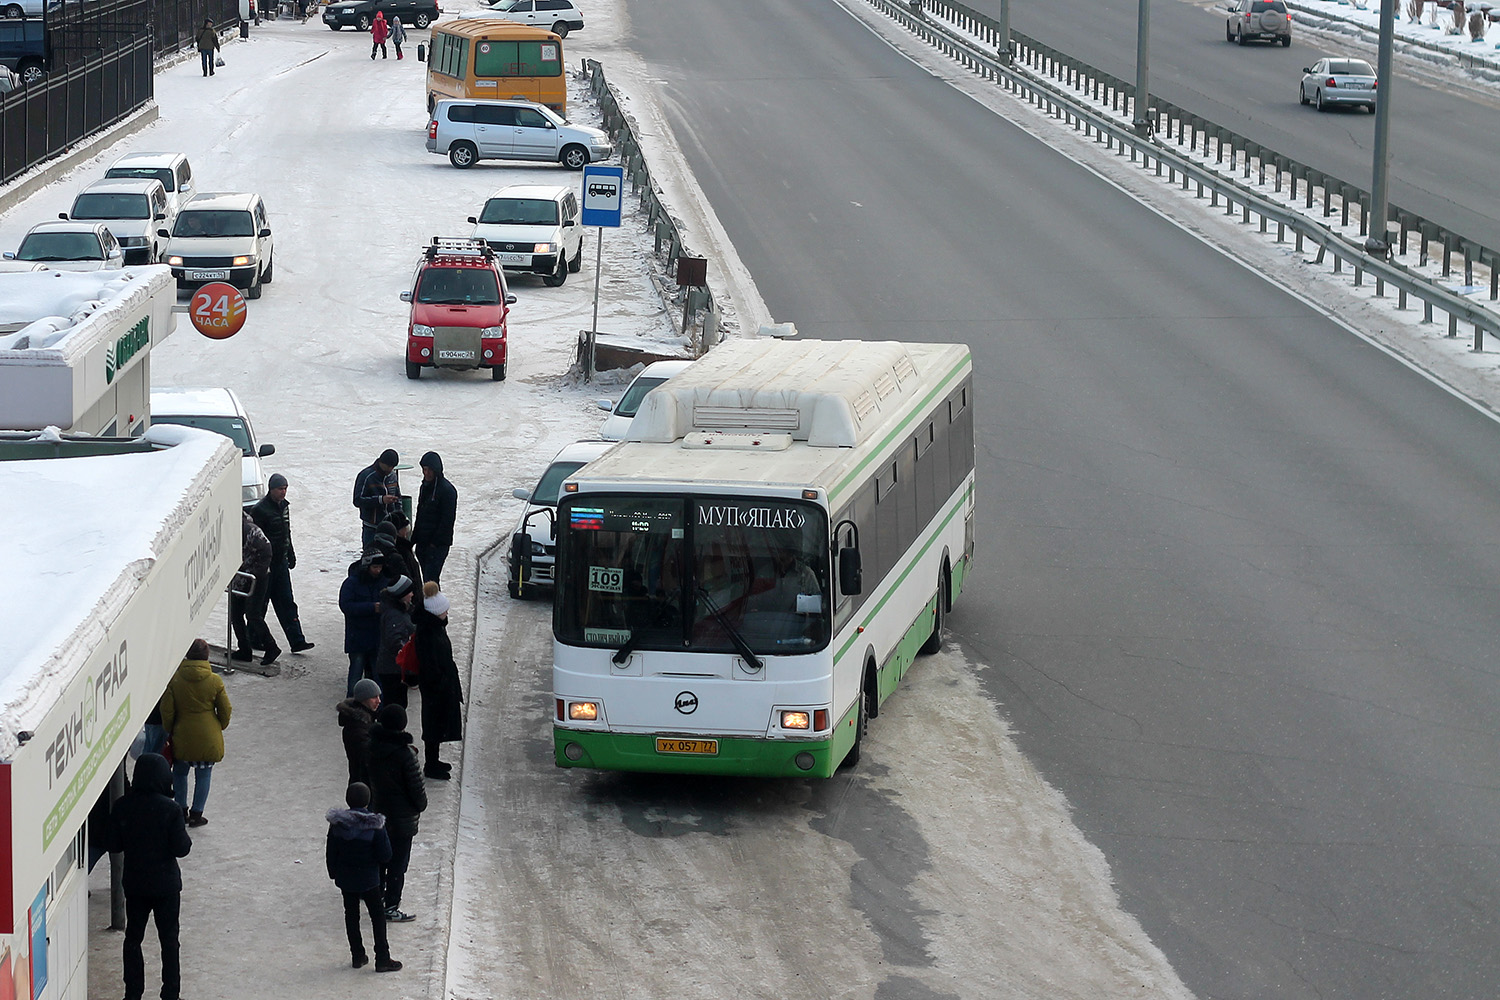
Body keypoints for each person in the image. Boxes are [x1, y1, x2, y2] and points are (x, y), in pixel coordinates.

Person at [106, 752, 193, 1000]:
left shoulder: (123, 805)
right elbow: (182, 848)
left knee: (133, 938)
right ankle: (170, 993)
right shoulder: (171, 809)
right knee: (169, 940)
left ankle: (133, 993)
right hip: (165, 886)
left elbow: (114, 844)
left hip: (135, 885)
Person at [326, 782, 401, 973]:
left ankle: (357, 955)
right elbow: (385, 855)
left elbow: (331, 851)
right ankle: (382, 958)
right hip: (369, 880)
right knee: (377, 916)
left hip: (346, 879)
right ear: (368, 801)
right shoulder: (375, 826)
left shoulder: (337, 825)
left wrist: (334, 872)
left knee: (351, 915)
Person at [160, 639, 232, 828]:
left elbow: (167, 710)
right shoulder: (215, 680)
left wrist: (170, 728)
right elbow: (225, 709)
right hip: (207, 736)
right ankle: (196, 814)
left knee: (180, 773)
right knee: (204, 774)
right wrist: (219, 726)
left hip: (182, 734)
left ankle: (181, 810)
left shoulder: (175, 679)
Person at [366, 704, 426, 923]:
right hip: (402, 819)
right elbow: (416, 789)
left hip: (379, 812)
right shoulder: (405, 755)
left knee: (380, 858)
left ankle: (376, 896)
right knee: (398, 864)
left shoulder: (372, 747)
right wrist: (420, 805)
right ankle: (391, 905)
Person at [250, 473, 314, 657]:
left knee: (287, 602)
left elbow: (286, 532)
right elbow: (256, 538)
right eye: (280, 489)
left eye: (285, 488)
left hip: (281, 563)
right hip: (266, 566)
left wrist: (290, 553)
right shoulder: (260, 510)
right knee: (260, 603)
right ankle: (253, 638)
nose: (283, 492)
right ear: (271, 489)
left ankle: (297, 640)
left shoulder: (284, 507)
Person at [414, 583, 462, 779]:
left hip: (440, 685)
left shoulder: (435, 626)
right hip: (435, 687)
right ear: (435, 612)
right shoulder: (428, 632)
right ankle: (431, 764)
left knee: (438, 723)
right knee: (434, 724)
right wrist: (442, 683)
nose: (447, 612)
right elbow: (430, 663)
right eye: (444, 610)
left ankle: (434, 761)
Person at [230, 512, 276, 665]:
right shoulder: (243, 527)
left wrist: (255, 573)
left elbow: (266, 550)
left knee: (252, 614)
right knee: (236, 614)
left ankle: (271, 647)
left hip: (254, 577)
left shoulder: (247, 530)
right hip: (243, 576)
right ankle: (244, 649)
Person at [340, 551, 387, 697]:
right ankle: (352, 702)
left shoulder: (383, 581)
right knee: (356, 670)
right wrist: (372, 607)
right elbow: (346, 606)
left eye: (380, 567)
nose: (378, 571)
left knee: (377, 673)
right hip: (358, 636)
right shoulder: (351, 583)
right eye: (375, 567)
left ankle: (376, 703)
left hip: (376, 637)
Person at [413, 451, 457, 586]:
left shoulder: (447, 491)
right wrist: (414, 539)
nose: (426, 473)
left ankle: (433, 606)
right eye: (424, 470)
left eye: (429, 470)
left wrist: (434, 544)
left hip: (437, 546)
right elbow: (420, 514)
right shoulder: (425, 487)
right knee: (427, 580)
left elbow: (447, 521)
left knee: (431, 581)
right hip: (423, 543)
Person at [375, 575, 415, 710]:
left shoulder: (399, 610)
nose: (412, 594)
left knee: (396, 704)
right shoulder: (395, 614)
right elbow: (394, 641)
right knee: (395, 706)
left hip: (393, 668)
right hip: (392, 670)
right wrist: (408, 652)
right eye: (409, 591)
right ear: (402, 594)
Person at [337, 678, 382, 786]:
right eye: (374, 697)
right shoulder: (356, 728)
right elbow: (370, 755)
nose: (379, 701)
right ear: (363, 699)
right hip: (363, 786)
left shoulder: (366, 721)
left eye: (379, 696)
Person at [354, 450, 401, 550]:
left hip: (390, 528)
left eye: (393, 467)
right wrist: (381, 500)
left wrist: (400, 521)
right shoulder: (366, 476)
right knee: (371, 561)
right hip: (371, 528)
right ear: (381, 462)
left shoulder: (392, 476)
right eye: (389, 466)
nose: (391, 469)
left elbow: (398, 499)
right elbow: (357, 500)